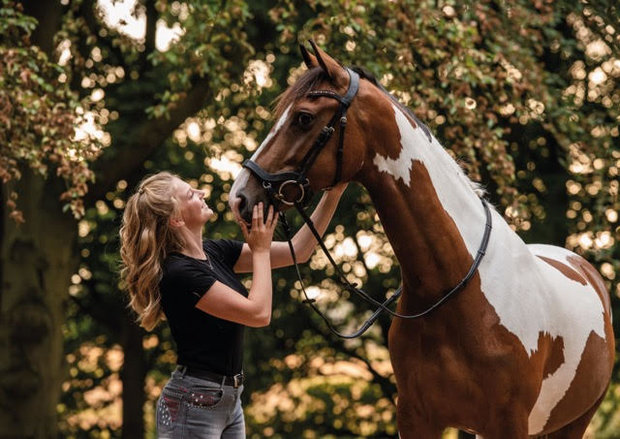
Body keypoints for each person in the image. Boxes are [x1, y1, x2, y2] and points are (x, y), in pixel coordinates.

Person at [119, 171, 346, 439]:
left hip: (229, 399)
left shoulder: (215, 252)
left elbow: (300, 250)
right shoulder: (179, 274)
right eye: (190, 194)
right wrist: (259, 251)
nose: (201, 193)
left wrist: (335, 192)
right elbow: (258, 313)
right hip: (194, 404)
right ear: (176, 219)